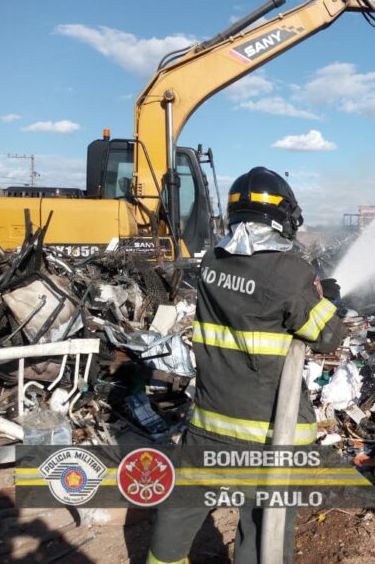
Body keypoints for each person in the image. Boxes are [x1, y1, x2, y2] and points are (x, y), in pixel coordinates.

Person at [147, 167, 344, 564]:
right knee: (262, 529)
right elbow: (328, 336)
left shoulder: (212, 263)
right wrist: (328, 299)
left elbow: (250, 301)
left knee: (181, 511)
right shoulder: (290, 272)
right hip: (270, 435)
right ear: (285, 216)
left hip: (208, 423)